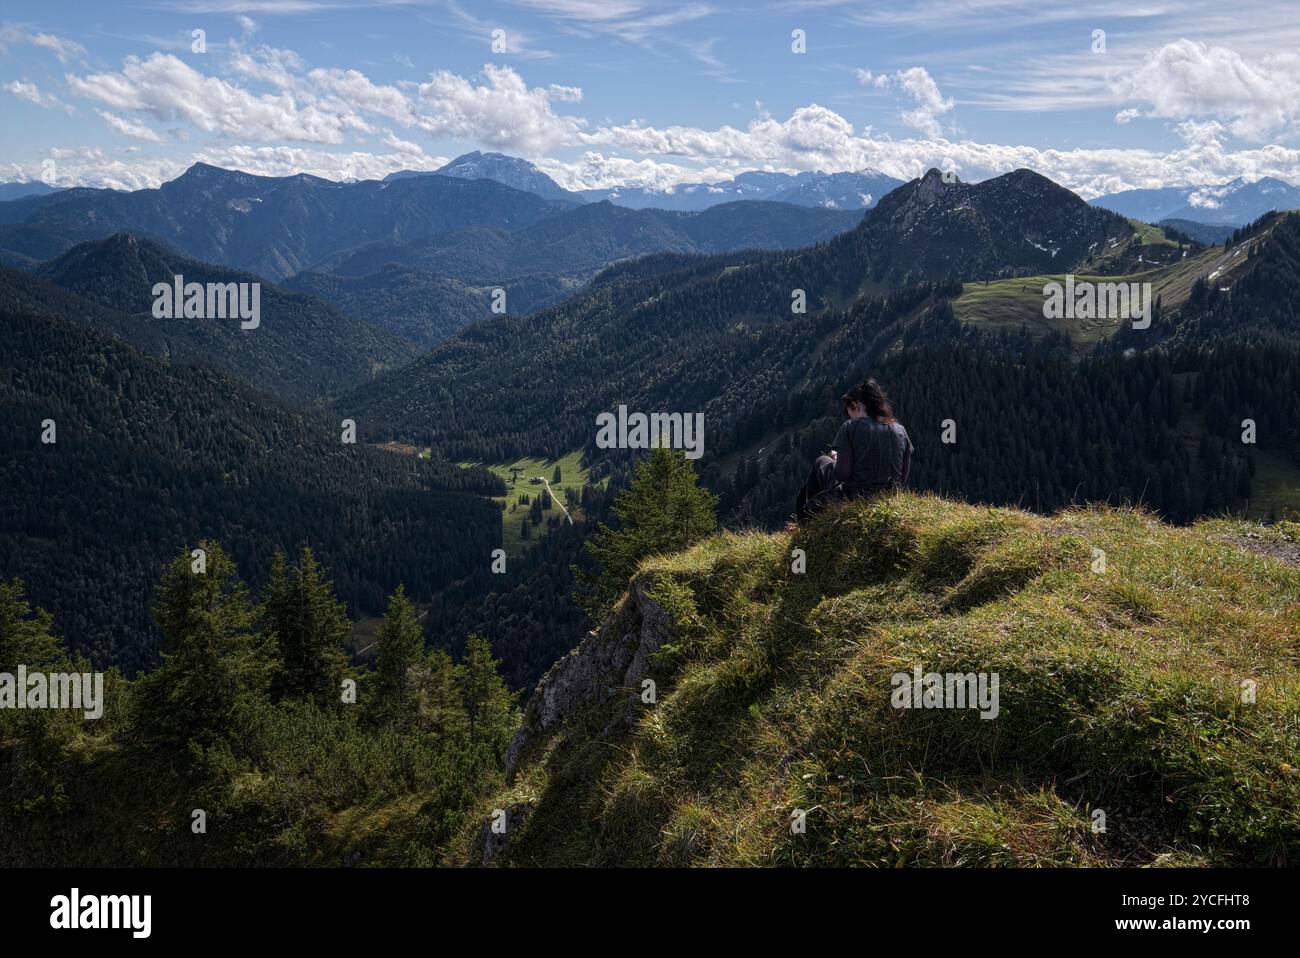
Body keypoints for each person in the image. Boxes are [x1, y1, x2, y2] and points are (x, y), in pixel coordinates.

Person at [794, 378, 913, 523]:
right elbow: (902, 478)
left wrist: (838, 460)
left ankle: (809, 523)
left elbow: (842, 475)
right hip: (889, 495)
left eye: (848, 409)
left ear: (855, 405)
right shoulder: (900, 429)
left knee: (821, 462)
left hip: (854, 496)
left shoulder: (850, 427)